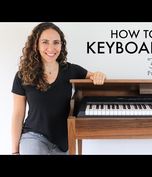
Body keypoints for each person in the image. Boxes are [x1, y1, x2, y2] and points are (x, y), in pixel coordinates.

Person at [11, 22, 106, 155]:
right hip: (33, 137)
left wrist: (99, 75)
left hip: (62, 143)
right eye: (45, 42)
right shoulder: (23, 75)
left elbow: (94, 75)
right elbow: (17, 115)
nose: (51, 48)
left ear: (61, 45)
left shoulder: (71, 70)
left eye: (56, 42)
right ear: (36, 45)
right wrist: (15, 151)